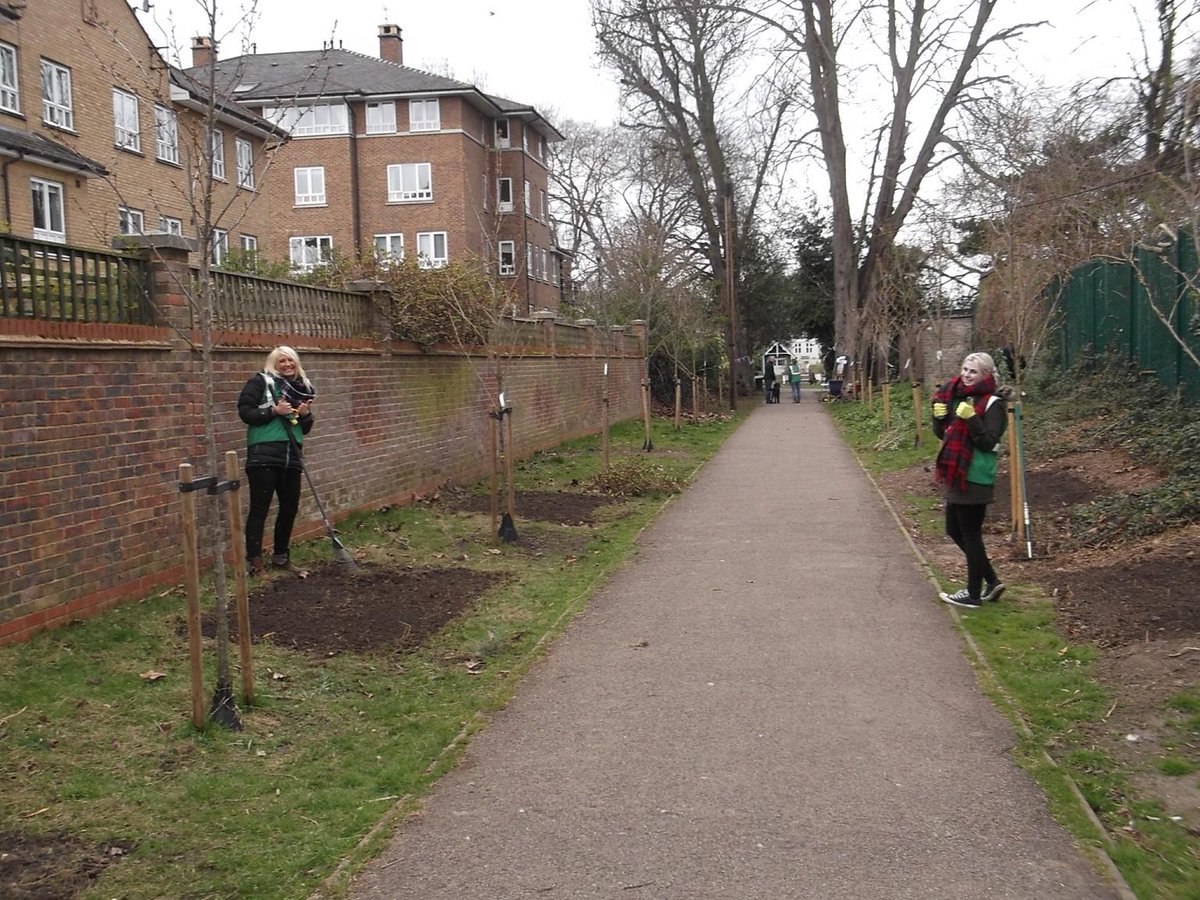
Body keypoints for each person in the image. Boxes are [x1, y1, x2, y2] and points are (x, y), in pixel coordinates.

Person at [931, 352, 1009, 609]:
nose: (966, 374)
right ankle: (991, 580)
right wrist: (939, 417)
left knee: (970, 534)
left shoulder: (993, 403)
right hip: (957, 475)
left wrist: (971, 418)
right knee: (954, 530)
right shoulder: (962, 398)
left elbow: (989, 442)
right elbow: (945, 435)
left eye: (973, 371)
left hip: (975, 477)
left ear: (986, 375)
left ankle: (973, 594)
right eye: (965, 369)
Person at [238, 346, 316, 574]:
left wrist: (305, 416)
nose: (287, 365)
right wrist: (274, 411)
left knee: (290, 507)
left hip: (291, 456)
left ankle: (281, 557)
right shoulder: (260, 383)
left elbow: (305, 428)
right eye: (282, 361)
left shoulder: (303, 390)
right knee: (259, 509)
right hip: (263, 455)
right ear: (274, 363)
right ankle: (255, 562)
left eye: (291, 360)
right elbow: (245, 412)